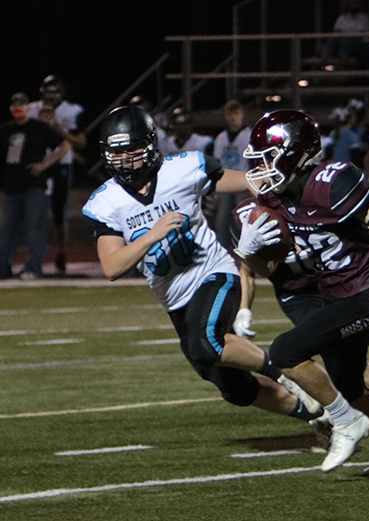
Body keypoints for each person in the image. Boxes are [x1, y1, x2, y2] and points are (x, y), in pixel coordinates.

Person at [82, 106, 326, 444]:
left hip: (213, 273)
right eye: (116, 151)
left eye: (131, 149)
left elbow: (250, 183)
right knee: (233, 388)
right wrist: (152, 234)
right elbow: (112, 267)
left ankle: (286, 372)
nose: (124, 159)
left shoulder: (183, 169)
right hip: (174, 297)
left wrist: (284, 208)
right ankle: (319, 415)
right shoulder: (106, 202)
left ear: (151, 145)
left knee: (206, 343)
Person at [236, 109, 369, 474]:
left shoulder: (331, 182)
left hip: (363, 292)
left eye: (268, 158)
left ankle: (347, 422)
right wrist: (247, 252)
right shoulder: (272, 201)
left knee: (285, 351)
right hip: (331, 292)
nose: (261, 169)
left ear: (295, 152)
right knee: (348, 382)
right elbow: (267, 271)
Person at [0, 92, 71, 280]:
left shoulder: (38, 128)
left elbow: (64, 146)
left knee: (35, 227)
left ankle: (33, 268)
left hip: (34, 184)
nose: (18, 108)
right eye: (14, 105)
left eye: (21, 105)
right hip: (11, 185)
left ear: (28, 107)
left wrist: (45, 165)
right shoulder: (6, 130)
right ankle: (3, 268)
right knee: (7, 229)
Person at [26, 75, 86, 275]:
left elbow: (81, 142)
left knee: (59, 214)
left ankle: (61, 252)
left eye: (55, 92)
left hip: (60, 165)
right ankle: (35, 255)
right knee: (35, 213)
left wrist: (59, 130)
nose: (51, 96)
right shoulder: (31, 109)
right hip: (37, 164)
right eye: (48, 92)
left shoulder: (71, 111)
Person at [212, 100, 252, 251]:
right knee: (222, 220)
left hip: (243, 182)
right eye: (230, 114)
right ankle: (222, 252)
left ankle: (245, 253)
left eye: (236, 113)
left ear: (242, 114)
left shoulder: (249, 136)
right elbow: (216, 162)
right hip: (225, 181)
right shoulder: (221, 138)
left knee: (242, 221)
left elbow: (254, 162)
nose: (233, 117)